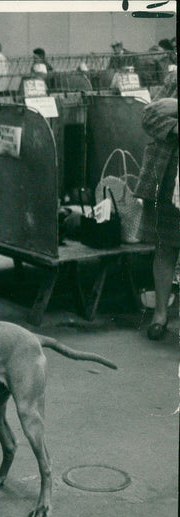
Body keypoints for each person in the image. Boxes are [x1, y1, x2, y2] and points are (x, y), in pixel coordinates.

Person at [134, 70, 178, 341]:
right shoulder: (174, 79)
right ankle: (160, 314)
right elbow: (149, 116)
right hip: (169, 175)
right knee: (165, 246)